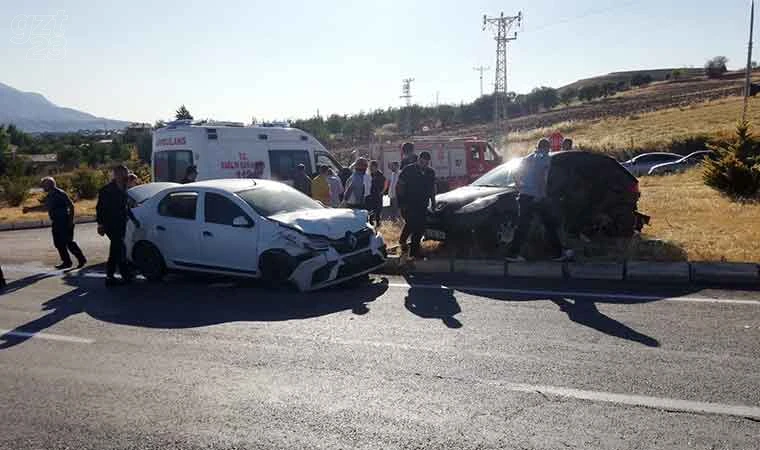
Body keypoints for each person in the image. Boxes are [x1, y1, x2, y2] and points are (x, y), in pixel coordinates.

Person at [505, 138, 572, 262]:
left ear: (537, 146)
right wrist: (541, 194)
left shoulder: (528, 158)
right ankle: (558, 254)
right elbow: (542, 177)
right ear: (547, 148)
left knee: (523, 226)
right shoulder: (545, 158)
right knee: (549, 224)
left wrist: (519, 186)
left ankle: (512, 254)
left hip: (524, 195)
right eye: (549, 148)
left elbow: (515, 171)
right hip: (537, 197)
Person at [97, 165, 140, 286]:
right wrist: (100, 224)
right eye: (122, 174)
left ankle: (120, 275)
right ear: (115, 175)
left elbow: (125, 207)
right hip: (110, 223)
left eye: (125, 173)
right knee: (118, 247)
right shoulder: (107, 190)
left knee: (118, 249)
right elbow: (100, 208)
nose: (124, 176)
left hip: (121, 222)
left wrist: (133, 219)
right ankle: (114, 276)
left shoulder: (124, 188)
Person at [41, 177, 87, 270]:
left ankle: (81, 259)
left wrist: (70, 220)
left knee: (68, 242)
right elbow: (45, 207)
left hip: (64, 221)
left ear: (49, 184)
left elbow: (71, 205)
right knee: (58, 243)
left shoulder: (59, 193)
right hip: (56, 222)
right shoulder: (50, 195)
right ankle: (66, 262)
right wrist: (29, 209)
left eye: (44, 185)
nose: (42, 187)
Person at [397, 151, 436, 258]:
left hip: (422, 204)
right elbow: (400, 186)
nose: (424, 165)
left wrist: (433, 202)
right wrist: (401, 203)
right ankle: (405, 243)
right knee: (412, 224)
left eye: (426, 163)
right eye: (422, 162)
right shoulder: (408, 170)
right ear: (418, 160)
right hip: (408, 204)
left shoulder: (430, 172)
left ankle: (413, 251)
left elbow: (432, 188)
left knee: (420, 227)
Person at [367, 160, 386, 226]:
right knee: (371, 210)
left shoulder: (380, 176)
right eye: (370, 167)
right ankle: (371, 222)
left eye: (372, 167)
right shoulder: (370, 175)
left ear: (376, 167)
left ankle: (378, 222)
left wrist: (381, 192)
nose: (370, 168)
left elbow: (384, 186)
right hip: (371, 195)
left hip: (378, 196)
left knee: (378, 210)